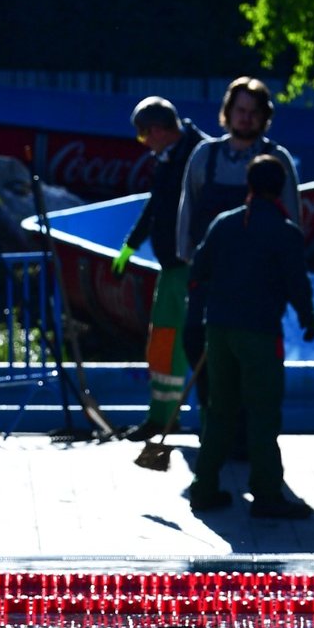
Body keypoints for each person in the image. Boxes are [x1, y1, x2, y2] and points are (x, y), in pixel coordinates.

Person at [182, 154, 314, 519]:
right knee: (262, 414)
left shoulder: (223, 224)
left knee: (220, 411)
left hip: (219, 331)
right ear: (281, 187)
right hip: (258, 334)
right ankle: (267, 494)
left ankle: (204, 488)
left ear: (250, 184)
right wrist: (308, 318)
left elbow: (198, 270)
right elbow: (297, 284)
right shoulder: (285, 231)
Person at [113, 97, 204, 440]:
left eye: (143, 136)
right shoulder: (167, 158)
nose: (144, 145)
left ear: (156, 131)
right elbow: (157, 205)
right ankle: (162, 417)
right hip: (171, 266)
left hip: (195, 266)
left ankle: (210, 422)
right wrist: (130, 244)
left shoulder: (201, 155)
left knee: (197, 343)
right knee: (164, 342)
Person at [176, 75, 301, 264]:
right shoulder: (204, 154)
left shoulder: (277, 158)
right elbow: (188, 206)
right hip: (210, 271)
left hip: (259, 271)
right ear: (228, 111)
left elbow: (291, 216)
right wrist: (185, 255)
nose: (246, 118)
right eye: (241, 110)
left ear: (264, 117)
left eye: (254, 112)